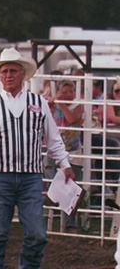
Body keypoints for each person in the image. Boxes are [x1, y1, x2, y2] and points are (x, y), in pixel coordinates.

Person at [0, 48, 76, 269]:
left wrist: (65, 164)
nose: (8, 75)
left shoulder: (38, 103)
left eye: (13, 71)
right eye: (4, 71)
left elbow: (53, 138)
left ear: (23, 74)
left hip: (30, 178)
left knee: (37, 234)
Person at [48, 79, 83, 231]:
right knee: (51, 183)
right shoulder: (53, 106)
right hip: (55, 151)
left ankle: (70, 222)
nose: (69, 95)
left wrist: (60, 103)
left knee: (73, 188)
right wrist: (53, 101)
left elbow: (72, 119)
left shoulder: (79, 105)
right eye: (65, 92)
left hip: (73, 152)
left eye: (71, 91)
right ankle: (52, 217)